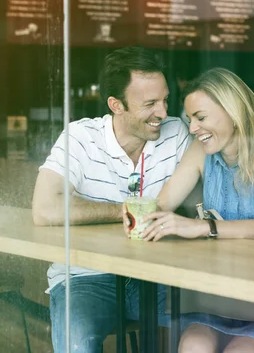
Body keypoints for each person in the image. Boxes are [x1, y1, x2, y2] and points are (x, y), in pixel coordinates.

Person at [123, 67, 254, 353]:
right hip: (215, 297)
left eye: (200, 118)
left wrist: (201, 227)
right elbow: (162, 204)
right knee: (193, 347)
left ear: (233, 111)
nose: (192, 129)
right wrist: (138, 214)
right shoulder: (200, 152)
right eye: (190, 119)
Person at [31, 46, 192, 353]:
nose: (164, 112)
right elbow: (44, 209)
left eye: (165, 99)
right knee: (77, 344)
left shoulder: (176, 133)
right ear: (116, 105)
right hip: (86, 277)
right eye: (150, 104)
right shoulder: (81, 137)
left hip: (156, 273)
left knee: (202, 331)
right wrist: (125, 211)